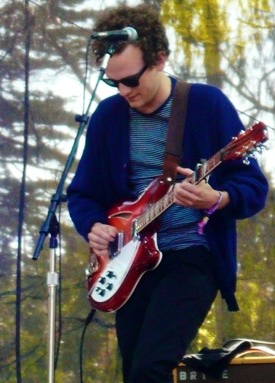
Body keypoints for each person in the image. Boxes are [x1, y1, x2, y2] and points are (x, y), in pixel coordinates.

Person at [66, 5, 268, 382]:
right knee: (135, 373)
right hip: (130, 263)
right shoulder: (108, 117)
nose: (124, 91)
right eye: (114, 83)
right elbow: (82, 194)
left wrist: (217, 199)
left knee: (151, 367)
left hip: (191, 255)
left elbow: (253, 188)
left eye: (131, 80)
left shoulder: (206, 105)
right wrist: (93, 226)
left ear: (159, 60)